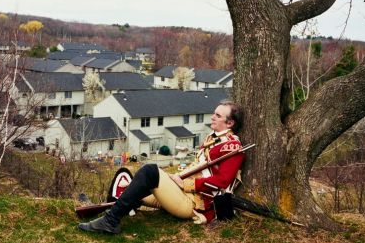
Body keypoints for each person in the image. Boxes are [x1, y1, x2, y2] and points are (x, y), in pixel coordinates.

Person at [78, 100, 245, 234]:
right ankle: (108, 212)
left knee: (150, 171)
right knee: (130, 185)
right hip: (182, 193)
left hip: (193, 203)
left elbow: (222, 181)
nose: (212, 117)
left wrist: (186, 184)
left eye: (218, 115)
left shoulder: (231, 147)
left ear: (229, 123)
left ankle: (110, 221)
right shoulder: (213, 138)